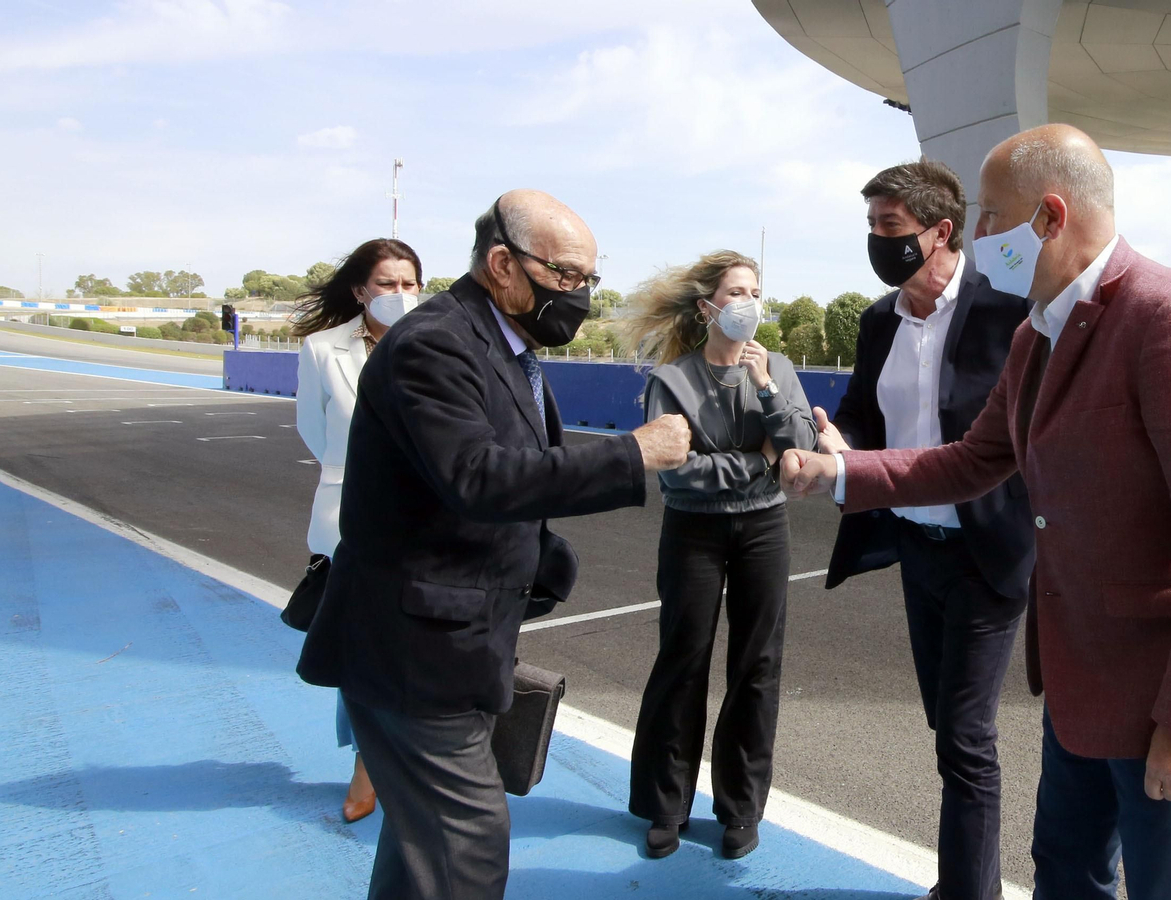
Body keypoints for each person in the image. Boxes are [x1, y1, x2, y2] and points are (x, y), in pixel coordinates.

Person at [782, 124, 1171, 900]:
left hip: (1164, 692)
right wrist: (840, 473)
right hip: (1082, 677)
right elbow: (972, 461)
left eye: (989, 217)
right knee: (1066, 875)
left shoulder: (1170, 319)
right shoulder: (1036, 334)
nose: (979, 237)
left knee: (1169, 889)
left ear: (1050, 216)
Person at [296, 190, 692, 900]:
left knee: (422, 850)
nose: (579, 296)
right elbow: (477, 475)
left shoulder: (507, 347)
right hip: (414, 652)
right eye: (566, 275)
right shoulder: (436, 344)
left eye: (588, 281)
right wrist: (631, 455)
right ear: (502, 263)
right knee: (465, 849)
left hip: (458, 642)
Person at [815, 159, 1035, 900]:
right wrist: (835, 439)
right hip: (916, 546)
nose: (877, 242)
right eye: (871, 227)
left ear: (940, 232)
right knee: (946, 728)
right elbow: (861, 414)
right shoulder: (880, 321)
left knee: (968, 738)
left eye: (890, 227)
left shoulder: (1009, 313)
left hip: (985, 551)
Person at [618, 251, 817, 861]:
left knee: (758, 667)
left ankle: (740, 808)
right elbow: (679, 476)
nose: (747, 304)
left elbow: (802, 448)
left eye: (754, 291)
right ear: (708, 307)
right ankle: (665, 805)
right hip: (694, 532)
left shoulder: (777, 367)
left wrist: (766, 389)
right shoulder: (672, 379)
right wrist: (758, 460)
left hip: (764, 529)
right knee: (683, 659)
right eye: (735, 292)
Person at [293, 237, 424, 824]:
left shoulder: (437, 344)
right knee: (359, 649)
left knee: (420, 642)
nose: (400, 295)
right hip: (351, 518)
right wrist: (356, 481)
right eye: (388, 284)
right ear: (360, 291)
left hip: (427, 517)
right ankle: (367, 762)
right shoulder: (323, 350)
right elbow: (314, 433)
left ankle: (419, 756)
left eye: (410, 283)